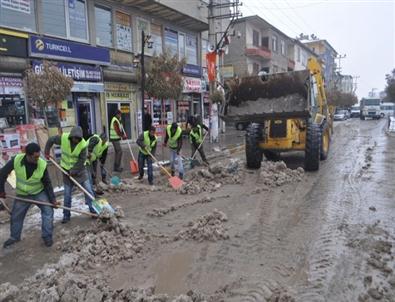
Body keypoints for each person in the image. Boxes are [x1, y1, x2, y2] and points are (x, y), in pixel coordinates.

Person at [0, 143, 58, 248]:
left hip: (38, 193)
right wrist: (1, 190)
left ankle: (47, 236)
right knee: (16, 216)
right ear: (28, 155)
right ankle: (14, 237)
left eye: (38, 156)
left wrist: (52, 200)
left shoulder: (42, 164)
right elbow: (2, 173)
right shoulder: (16, 160)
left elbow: (47, 183)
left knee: (48, 211)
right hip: (22, 195)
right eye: (35, 157)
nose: (38, 159)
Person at [45, 126, 96, 223]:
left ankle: (93, 209)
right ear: (71, 136)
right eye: (74, 138)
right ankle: (66, 215)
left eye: (77, 139)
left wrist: (73, 171)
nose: (75, 140)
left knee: (88, 191)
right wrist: (47, 151)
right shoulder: (63, 138)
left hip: (80, 171)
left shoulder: (83, 145)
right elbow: (51, 140)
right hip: (66, 171)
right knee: (67, 194)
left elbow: (81, 161)